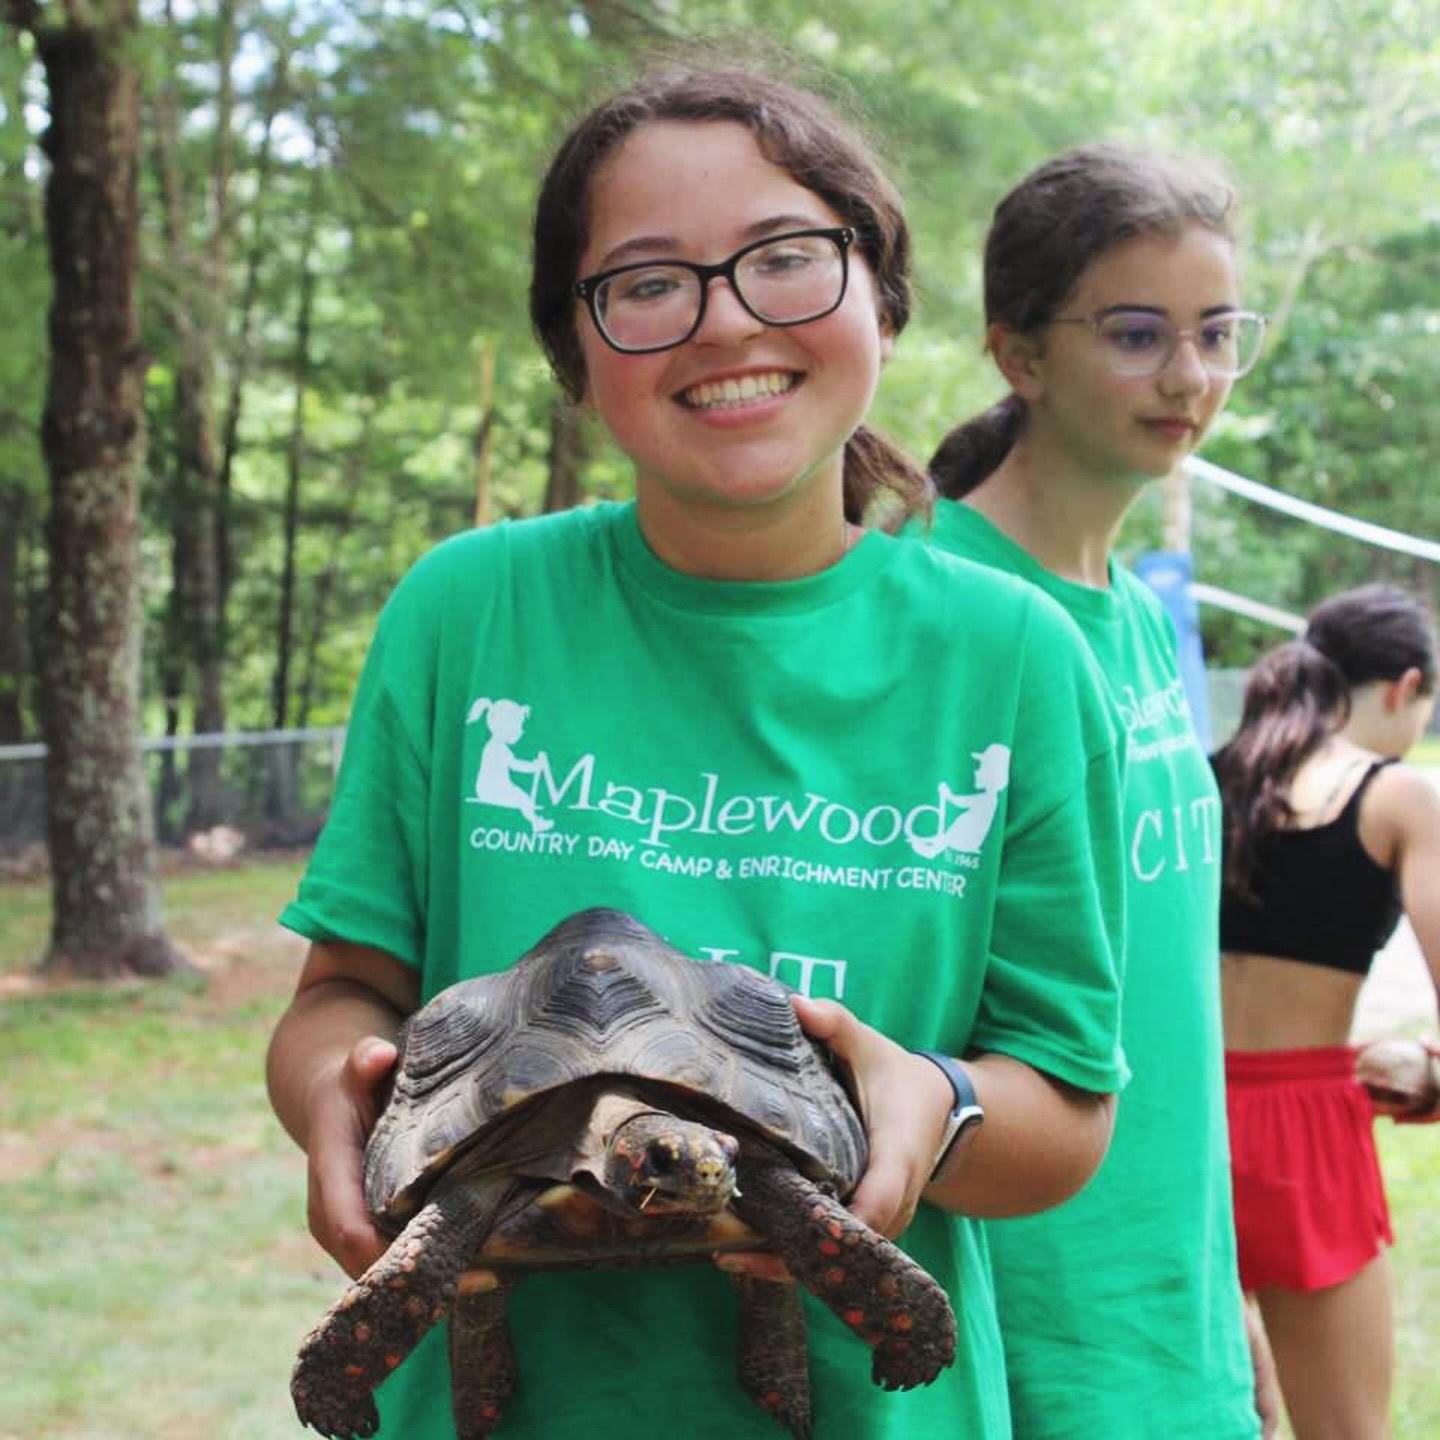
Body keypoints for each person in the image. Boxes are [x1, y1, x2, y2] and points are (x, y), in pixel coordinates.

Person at [265, 56, 1130, 1440]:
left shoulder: (1016, 659)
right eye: (648, 283)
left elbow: (1068, 1108)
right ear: (576, 349)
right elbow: (342, 995)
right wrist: (333, 1098)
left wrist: (936, 1103)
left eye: (786, 258)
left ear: (883, 294)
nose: (724, 323)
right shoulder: (467, 611)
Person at [918, 142, 1272, 1438]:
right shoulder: (934, 611)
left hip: (1164, 1308)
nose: (1190, 377)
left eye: (1217, 333)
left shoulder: (1131, 618)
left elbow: (1160, 1001)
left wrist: (1216, 1292)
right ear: (1018, 354)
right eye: (1137, 334)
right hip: (1012, 1317)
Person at [1215, 583, 1440, 1440]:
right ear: (1402, 688)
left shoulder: (1208, 778)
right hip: (1303, 1131)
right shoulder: (1396, 797)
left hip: (1176, 1126)